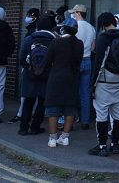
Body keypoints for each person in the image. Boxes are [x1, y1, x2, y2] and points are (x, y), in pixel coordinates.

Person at [89, 12, 119, 156]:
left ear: (102, 23)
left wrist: (93, 84)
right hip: (118, 78)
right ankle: (115, 143)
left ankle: (102, 146)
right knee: (117, 113)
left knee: (101, 113)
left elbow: (99, 62)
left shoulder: (103, 38)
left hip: (104, 79)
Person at [44, 17, 84, 148]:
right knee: (70, 108)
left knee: (53, 108)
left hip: (56, 77)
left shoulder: (56, 42)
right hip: (72, 77)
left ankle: (52, 138)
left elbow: (48, 60)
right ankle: (65, 137)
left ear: (63, 28)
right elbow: (78, 61)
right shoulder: (80, 44)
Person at [18, 15, 56, 134]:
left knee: (28, 102)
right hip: (46, 75)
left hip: (29, 75)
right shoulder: (54, 40)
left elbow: (22, 58)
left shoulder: (29, 39)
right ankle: (35, 127)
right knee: (42, 102)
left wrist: (29, 67)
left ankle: (23, 127)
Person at [12, 7, 40, 124]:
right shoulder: (31, 31)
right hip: (33, 65)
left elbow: (24, 52)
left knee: (27, 92)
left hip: (30, 65)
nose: (28, 18)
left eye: (31, 16)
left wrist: (24, 64)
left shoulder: (32, 34)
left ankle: (23, 115)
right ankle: (25, 113)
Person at [70, 4, 96, 131]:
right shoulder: (91, 27)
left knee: (71, 91)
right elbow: (93, 47)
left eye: (74, 13)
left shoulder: (75, 26)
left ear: (79, 13)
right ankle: (85, 121)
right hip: (88, 60)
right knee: (85, 92)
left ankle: (71, 118)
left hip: (76, 60)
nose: (73, 15)